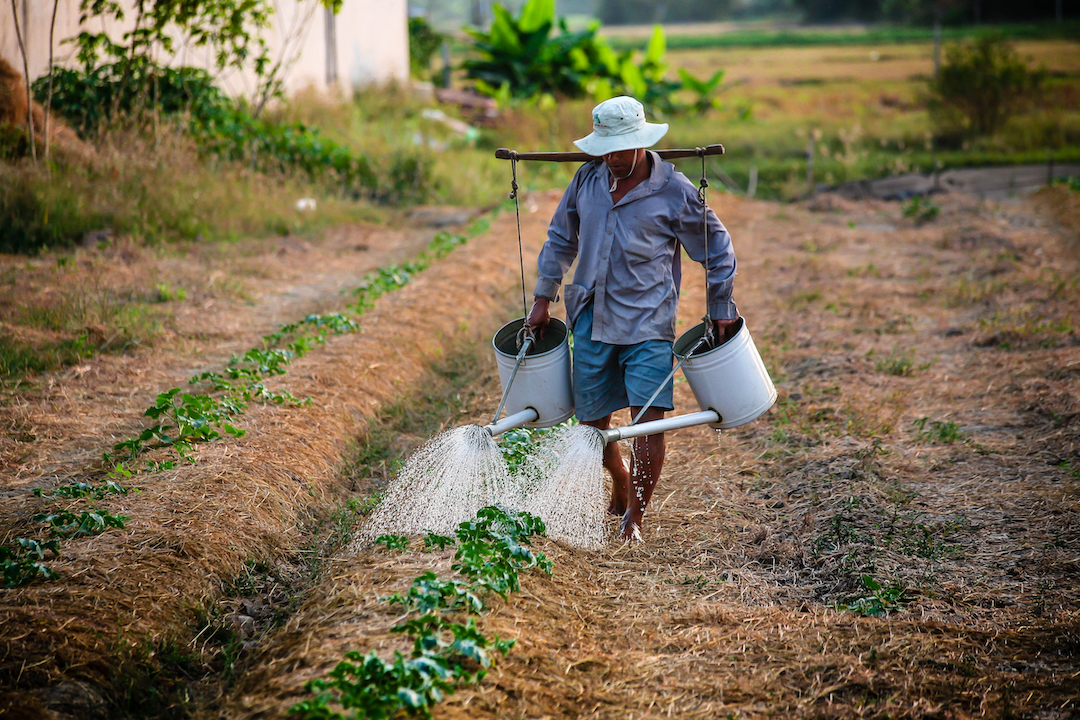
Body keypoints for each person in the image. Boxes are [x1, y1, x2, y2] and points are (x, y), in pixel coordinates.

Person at [526, 95, 739, 542]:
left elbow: (717, 249)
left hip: (648, 322)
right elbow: (560, 239)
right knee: (592, 426)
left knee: (649, 421)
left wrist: (720, 306)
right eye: (606, 150)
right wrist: (542, 298)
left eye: (621, 150)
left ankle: (633, 521)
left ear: (642, 143)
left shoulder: (674, 191)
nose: (613, 159)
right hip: (589, 317)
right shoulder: (586, 180)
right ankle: (619, 479)